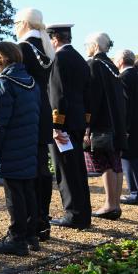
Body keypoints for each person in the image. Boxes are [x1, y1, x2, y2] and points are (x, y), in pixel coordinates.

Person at [0, 42, 40, 256]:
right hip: (27, 143)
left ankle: (16, 239)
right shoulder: (31, 81)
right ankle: (31, 235)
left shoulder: (4, 83)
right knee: (27, 191)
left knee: (14, 194)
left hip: (10, 146)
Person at [14, 8, 54, 241]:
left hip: (27, 114)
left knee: (30, 171)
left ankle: (31, 223)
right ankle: (42, 221)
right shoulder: (45, 48)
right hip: (44, 112)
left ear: (24, 23)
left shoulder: (22, 49)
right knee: (42, 169)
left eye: (16, 22)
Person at [46, 24, 92, 229]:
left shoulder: (59, 58)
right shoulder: (80, 59)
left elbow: (57, 94)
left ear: (54, 38)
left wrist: (56, 125)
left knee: (65, 170)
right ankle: (83, 213)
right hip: (78, 121)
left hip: (63, 123)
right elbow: (88, 93)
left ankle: (73, 214)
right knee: (77, 169)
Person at [83, 33, 127, 219]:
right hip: (117, 122)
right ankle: (115, 204)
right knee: (115, 163)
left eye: (87, 44)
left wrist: (86, 124)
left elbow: (92, 98)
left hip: (101, 123)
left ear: (94, 45)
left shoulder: (95, 64)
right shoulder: (112, 66)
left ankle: (110, 205)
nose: (86, 47)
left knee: (106, 163)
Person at [115, 50, 138, 205]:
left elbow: (125, 106)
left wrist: (124, 128)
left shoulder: (123, 78)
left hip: (130, 127)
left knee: (129, 159)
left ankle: (135, 192)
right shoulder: (137, 77)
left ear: (121, 61)